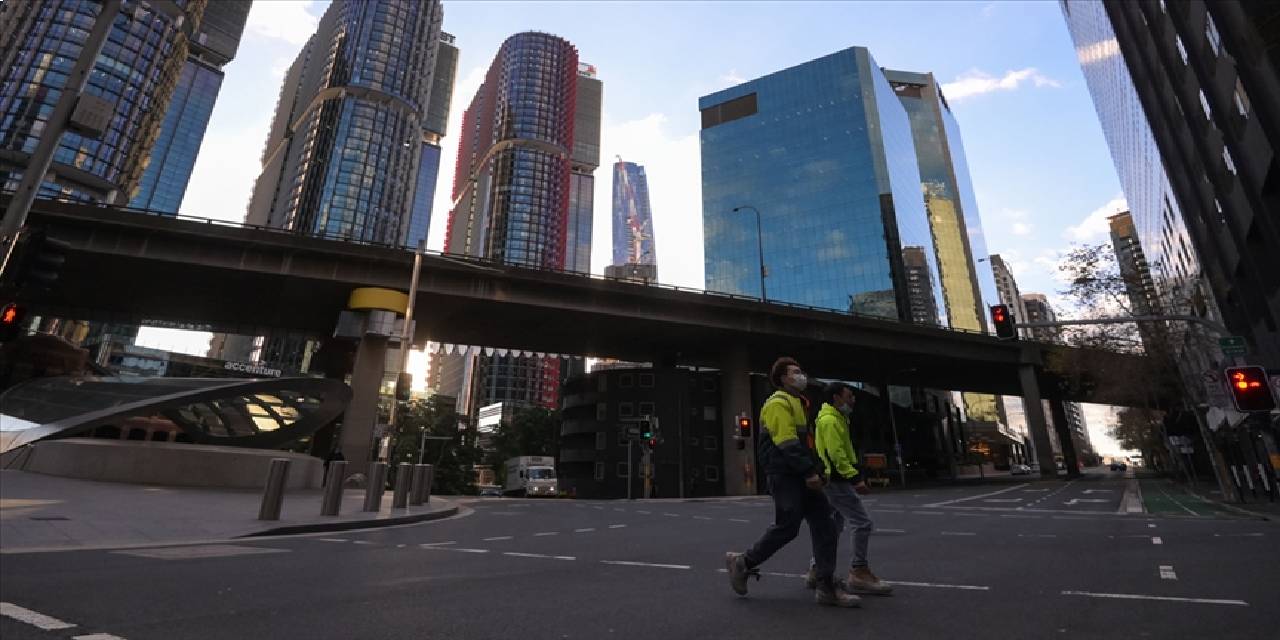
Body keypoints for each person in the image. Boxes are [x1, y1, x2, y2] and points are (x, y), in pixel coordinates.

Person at [725, 357, 860, 607]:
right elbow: (787, 442)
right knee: (788, 526)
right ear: (783, 378)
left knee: (826, 523)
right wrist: (809, 472)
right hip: (784, 474)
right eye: (795, 372)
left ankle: (825, 584)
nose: (801, 376)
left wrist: (817, 470)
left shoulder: (798, 403)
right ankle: (743, 562)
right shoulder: (778, 403)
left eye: (801, 371)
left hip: (797, 472)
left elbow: (806, 444)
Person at [805, 382, 893, 596]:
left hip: (832, 479)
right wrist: (855, 478)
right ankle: (859, 571)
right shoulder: (830, 420)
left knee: (833, 526)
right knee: (862, 523)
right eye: (849, 396)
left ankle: (817, 568)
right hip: (836, 480)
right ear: (836, 398)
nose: (853, 400)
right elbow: (836, 454)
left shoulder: (836, 418)